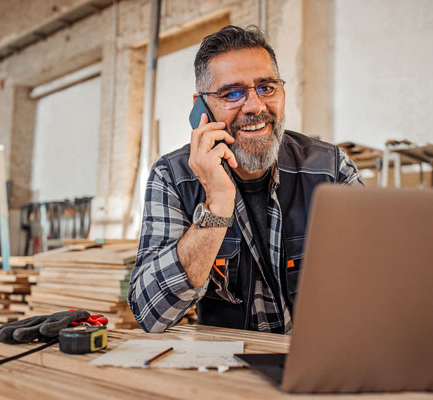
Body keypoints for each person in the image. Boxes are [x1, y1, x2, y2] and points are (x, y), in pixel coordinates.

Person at [128, 25, 364, 334]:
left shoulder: (331, 169)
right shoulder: (172, 177)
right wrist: (217, 204)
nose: (255, 106)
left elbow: (374, 282)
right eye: (232, 93)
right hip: (228, 374)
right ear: (201, 108)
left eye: (266, 87)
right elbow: (150, 313)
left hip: (319, 364)